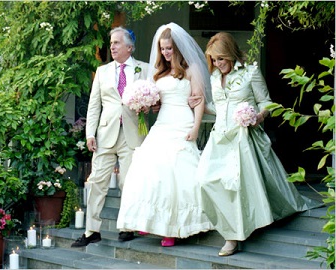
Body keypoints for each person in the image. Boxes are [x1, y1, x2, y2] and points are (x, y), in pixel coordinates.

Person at [194, 32, 319, 256]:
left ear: (230, 54)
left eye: (220, 58)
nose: (217, 63)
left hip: (244, 138)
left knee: (236, 185)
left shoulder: (250, 72)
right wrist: (201, 105)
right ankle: (228, 226)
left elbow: (267, 103)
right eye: (213, 59)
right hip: (219, 137)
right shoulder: (214, 78)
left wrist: (257, 117)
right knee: (204, 179)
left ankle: (232, 237)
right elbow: (219, 108)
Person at [116, 22, 214, 247]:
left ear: (178, 48)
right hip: (162, 124)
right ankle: (149, 220)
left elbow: (198, 101)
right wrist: (146, 103)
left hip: (182, 123)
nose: (165, 52)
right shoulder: (158, 73)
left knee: (175, 175)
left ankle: (172, 229)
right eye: (162, 48)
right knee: (148, 170)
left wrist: (195, 128)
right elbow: (157, 102)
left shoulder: (191, 70)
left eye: (169, 48)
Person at [71, 26, 149, 247]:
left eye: (116, 43)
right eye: (112, 42)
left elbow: (154, 99)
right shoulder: (103, 71)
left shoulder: (143, 69)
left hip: (132, 134)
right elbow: (94, 106)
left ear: (129, 47)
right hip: (105, 134)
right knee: (96, 182)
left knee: (128, 182)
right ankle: (91, 230)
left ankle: (127, 226)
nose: (112, 46)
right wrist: (90, 134)